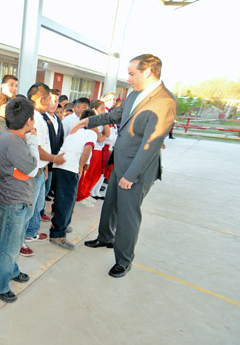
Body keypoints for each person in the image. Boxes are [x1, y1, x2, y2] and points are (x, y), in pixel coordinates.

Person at [73, 54, 177, 277]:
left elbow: (150, 144)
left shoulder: (164, 101)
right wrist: (88, 121)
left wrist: (131, 175)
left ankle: (124, 259)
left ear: (147, 72)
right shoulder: (136, 94)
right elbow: (116, 115)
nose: (128, 78)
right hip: (120, 162)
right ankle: (105, 237)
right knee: (110, 205)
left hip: (137, 170)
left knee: (128, 215)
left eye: (132, 73)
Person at [0, 97, 39, 303]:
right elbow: (33, 168)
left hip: (18, 199)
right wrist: (33, 141)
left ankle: (11, 269)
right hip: (12, 202)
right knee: (7, 246)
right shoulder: (15, 140)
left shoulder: (13, 136)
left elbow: (27, 170)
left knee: (14, 242)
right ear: (29, 121)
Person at [23, 83, 65, 254]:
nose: (50, 102)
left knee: (38, 203)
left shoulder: (40, 117)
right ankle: (22, 239)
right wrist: (55, 159)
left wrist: (47, 165)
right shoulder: (33, 117)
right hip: (34, 169)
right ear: (41, 99)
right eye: (49, 99)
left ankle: (31, 232)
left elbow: (44, 145)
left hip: (41, 168)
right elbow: (37, 148)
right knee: (29, 207)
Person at [49, 109, 98, 250]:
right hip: (69, 168)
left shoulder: (75, 130)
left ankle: (58, 225)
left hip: (59, 165)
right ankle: (58, 234)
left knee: (61, 199)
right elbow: (86, 150)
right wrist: (80, 167)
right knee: (67, 202)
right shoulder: (91, 133)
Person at [75, 100, 110, 207]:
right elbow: (100, 138)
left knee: (95, 174)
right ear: (94, 109)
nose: (104, 111)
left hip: (99, 150)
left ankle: (86, 193)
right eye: (102, 108)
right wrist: (102, 136)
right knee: (87, 174)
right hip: (92, 150)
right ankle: (80, 195)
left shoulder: (101, 121)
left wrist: (104, 121)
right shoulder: (91, 121)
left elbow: (107, 134)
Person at [40, 89, 64, 220]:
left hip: (54, 159)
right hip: (44, 159)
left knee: (47, 187)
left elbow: (60, 140)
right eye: (51, 100)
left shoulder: (57, 119)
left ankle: (41, 209)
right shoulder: (42, 118)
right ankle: (39, 211)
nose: (54, 104)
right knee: (42, 187)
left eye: (56, 101)